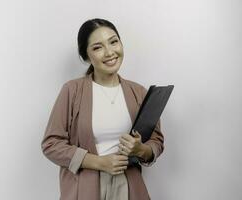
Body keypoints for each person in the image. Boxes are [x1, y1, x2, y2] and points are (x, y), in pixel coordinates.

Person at [41, 18, 164, 200]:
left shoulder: (139, 92)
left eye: (113, 42)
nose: (109, 52)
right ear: (86, 56)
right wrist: (99, 162)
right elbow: (51, 144)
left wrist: (141, 150)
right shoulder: (72, 91)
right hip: (84, 188)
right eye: (98, 47)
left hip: (130, 187)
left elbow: (156, 141)